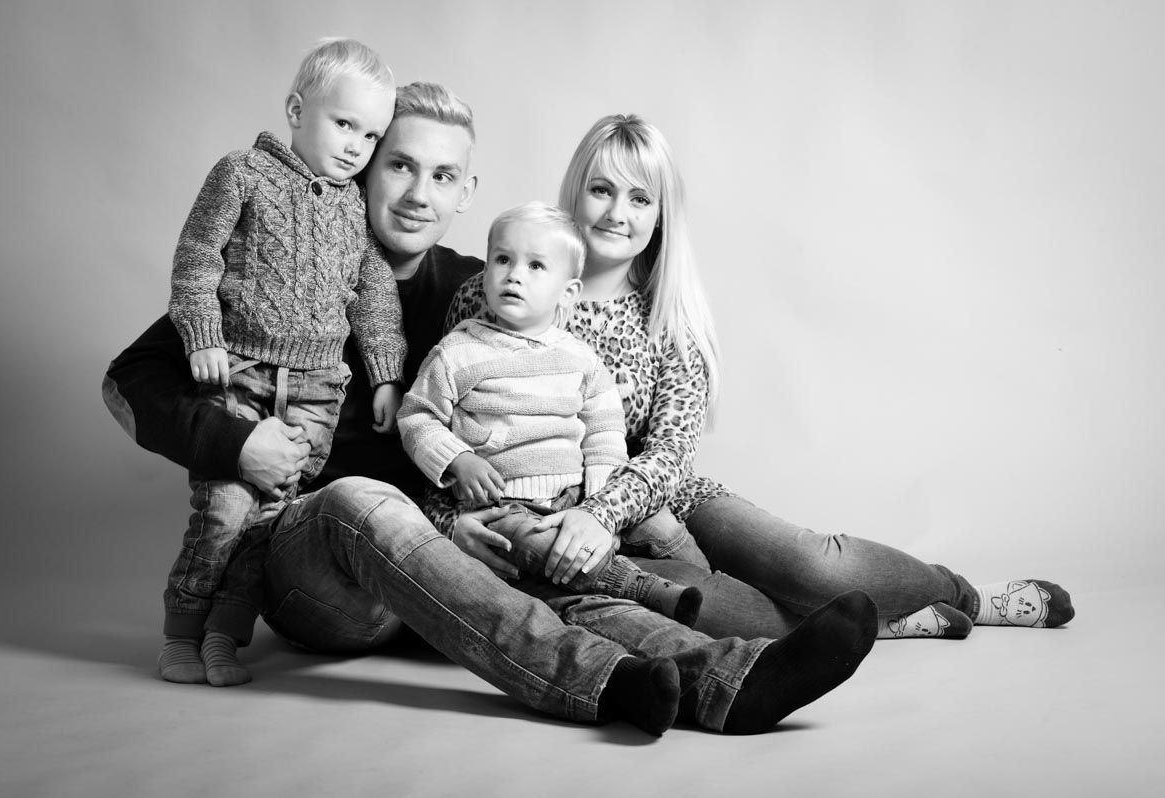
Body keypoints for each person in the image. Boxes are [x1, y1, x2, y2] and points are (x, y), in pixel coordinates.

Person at [103, 82, 879, 735]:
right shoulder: (287, 272)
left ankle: (724, 681)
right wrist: (235, 442)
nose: (417, 193)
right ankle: (601, 684)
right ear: (366, 165)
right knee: (358, 498)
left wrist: (592, 506)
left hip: (454, 572)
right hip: (317, 571)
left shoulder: (488, 285)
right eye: (400, 165)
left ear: (467, 192)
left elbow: (579, 378)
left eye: (443, 176)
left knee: (545, 565)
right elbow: (129, 377)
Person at [443, 113, 1076, 644]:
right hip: (541, 512)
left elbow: (670, 450)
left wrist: (602, 515)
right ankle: (881, 625)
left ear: (660, 216)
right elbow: (445, 417)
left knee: (810, 563)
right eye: (603, 189)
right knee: (709, 608)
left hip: (659, 496)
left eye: (640, 198)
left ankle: (961, 592)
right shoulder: (492, 292)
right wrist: (455, 522)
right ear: (575, 190)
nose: (618, 212)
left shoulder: (670, 317)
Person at [158, 38, 409, 687]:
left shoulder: (355, 208)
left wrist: (384, 373)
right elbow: (197, 256)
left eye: (371, 133)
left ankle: (225, 636)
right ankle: (182, 632)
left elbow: (374, 294)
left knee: (268, 519)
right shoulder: (241, 172)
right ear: (298, 109)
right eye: (344, 123)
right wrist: (203, 333)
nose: (357, 144)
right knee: (222, 508)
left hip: (318, 388)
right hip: (240, 369)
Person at [398, 201, 703, 625]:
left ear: (568, 292)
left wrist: (598, 504)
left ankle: (701, 583)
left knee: (662, 530)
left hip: (575, 498)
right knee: (531, 541)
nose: (514, 274)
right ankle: (643, 590)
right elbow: (417, 416)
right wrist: (456, 459)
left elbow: (605, 433)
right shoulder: (456, 352)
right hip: (503, 505)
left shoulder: (580, 360)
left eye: (536, 266)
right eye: (502, 259)